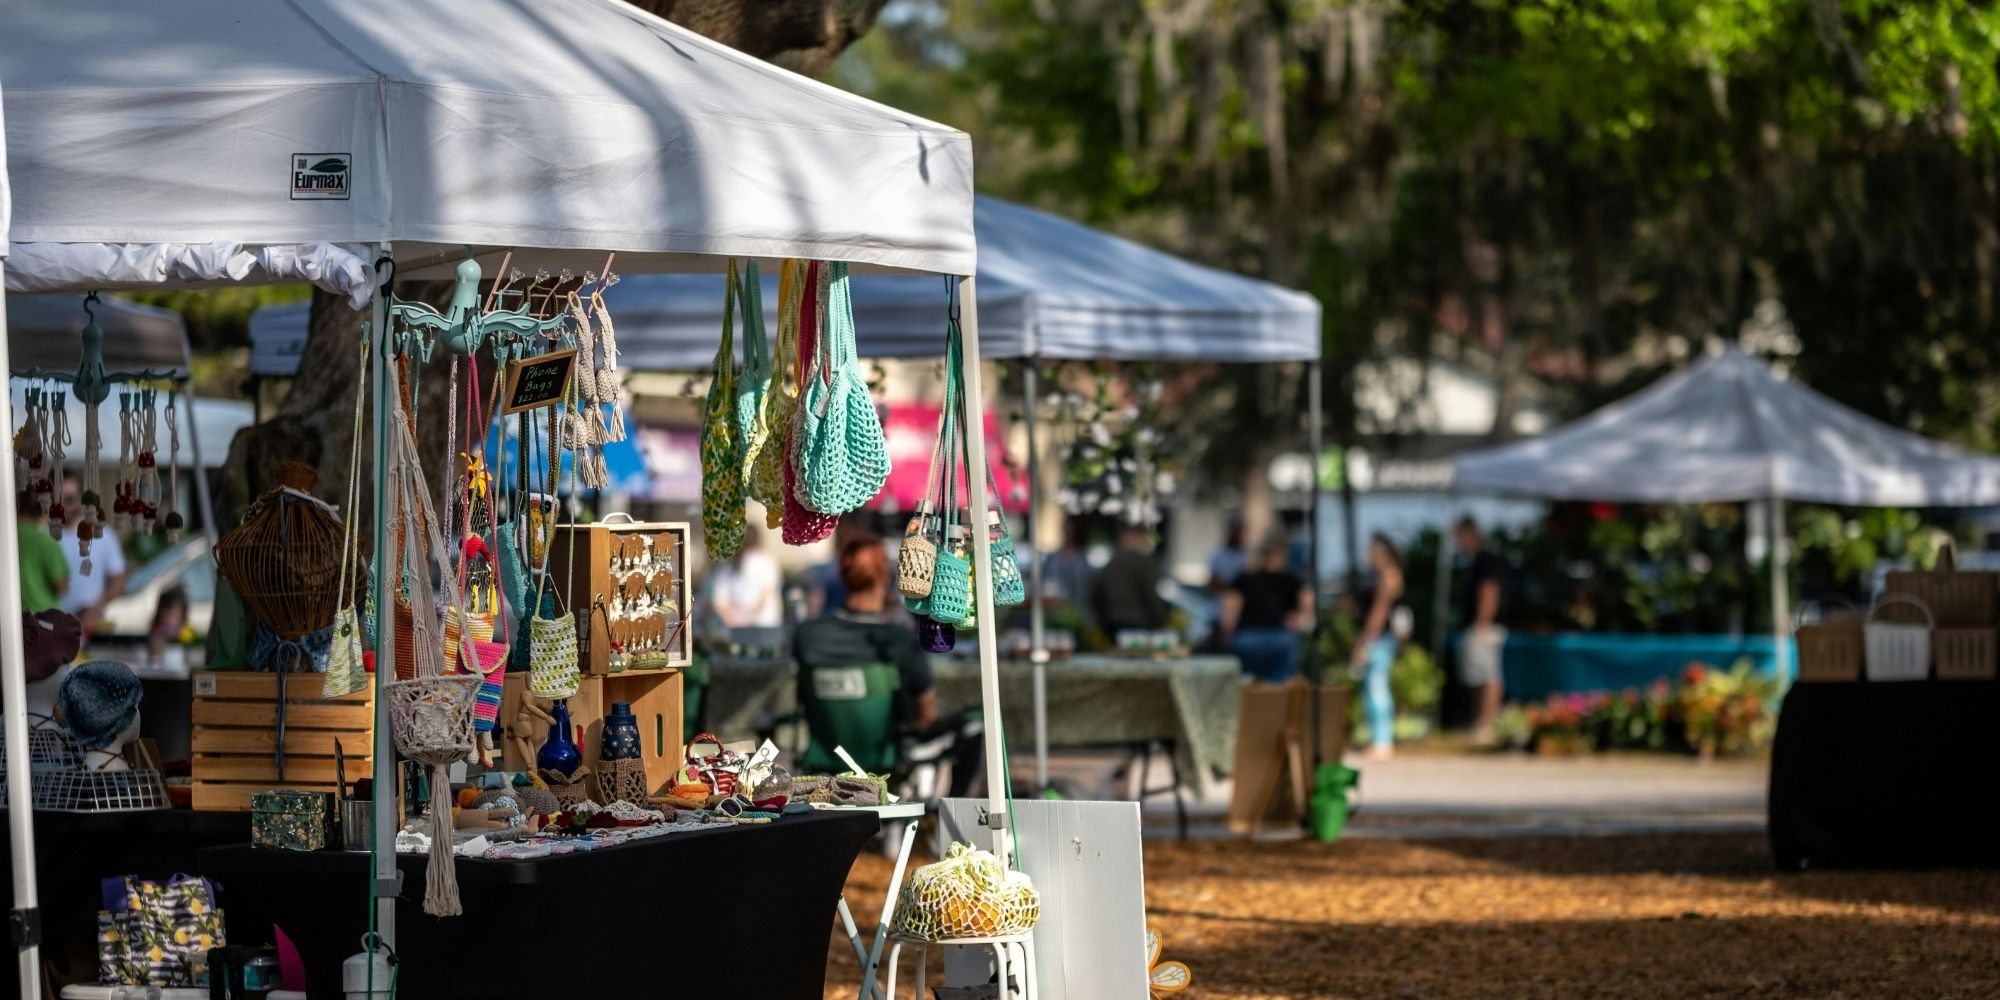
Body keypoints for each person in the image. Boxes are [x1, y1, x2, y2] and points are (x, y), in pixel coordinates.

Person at [794, 533, 982, 796]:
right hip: (888, 757)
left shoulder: (808, 636)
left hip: (826, 757)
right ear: (885, 577)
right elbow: (926, 715)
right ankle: (939, 822)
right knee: (976, 725)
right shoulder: (897, 641)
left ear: (843, 575)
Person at [1220, 535, 1312, 682]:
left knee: (1244, 685)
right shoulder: (1290, 579)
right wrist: (1300, 620)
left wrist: (1226, 633)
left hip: (1247, 638)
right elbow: (1307, 600)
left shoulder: (1245, 577)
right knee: (1278, 689)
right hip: (1280, 639)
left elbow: (1231, 605)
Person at [1353, 534, 1405, 758]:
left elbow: (1380, 611)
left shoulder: (1388, 576)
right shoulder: (1387, 575)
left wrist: (1366, 639)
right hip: (1383, 639)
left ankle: (1382, 741)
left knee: (1377, 688)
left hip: (1379, 639)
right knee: (1375, 688)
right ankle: (1380, 738)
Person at [1456, 515, 1508, 740]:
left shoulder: (1485, 561)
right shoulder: (1475, 561)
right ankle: (1481, 719)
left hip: (1484, 628)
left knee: (1489, 676)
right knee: (1477, 677)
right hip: (1478, 627)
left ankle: (1488, 721)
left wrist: (1481, 624)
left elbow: (1489, 593)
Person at [58, 479, 128, 640]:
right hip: (57, 629)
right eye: (59, 499)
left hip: (91, 628)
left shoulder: (103, 535)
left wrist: (96, 607)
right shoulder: (46, 535)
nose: (63, 506)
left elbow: (119, 580)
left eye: (69, 499)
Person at [1093, 523, 1171, 638]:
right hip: (1140, 624)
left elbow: (1097, 594)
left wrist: (1101, 623)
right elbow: (1151, 594)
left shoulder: (1111, 562)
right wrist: (1161, 622)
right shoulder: (1143, 561)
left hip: (1113, 623)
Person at [710, 525, 783, 630]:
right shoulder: (766, 560)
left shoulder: (727, 564)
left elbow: (719, 601)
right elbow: (769, 592)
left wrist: (738, 621)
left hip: (747, 626)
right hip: (764, 626)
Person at [14, 491, 68, 615]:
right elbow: (61, 585)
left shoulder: (7, 539)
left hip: (15, 618)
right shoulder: (45, 541)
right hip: (45, 618)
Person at [1207, 518, 1248, 592]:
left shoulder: (1247, 555)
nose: (1237, 535)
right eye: (1234, 531)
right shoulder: (1218, 554)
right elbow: (1213, 579)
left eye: (1239, 531)